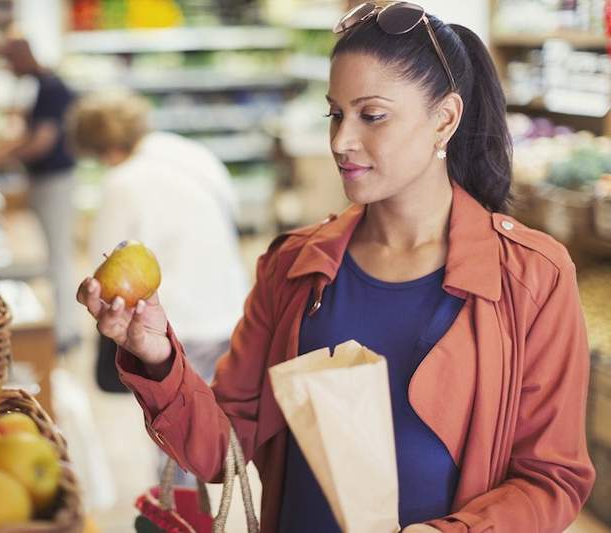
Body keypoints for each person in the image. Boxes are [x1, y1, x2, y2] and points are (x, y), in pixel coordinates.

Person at [76, 3, 596, 532]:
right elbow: (220, 451)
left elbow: (550, 478)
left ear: (445, 119)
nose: (342, 141)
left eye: (372, 115)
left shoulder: (531, 278)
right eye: (335, 113)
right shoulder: (295, 267)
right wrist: (157, 356)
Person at [67, 90, 250, 482]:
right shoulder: (188, 153)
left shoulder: (123, 183)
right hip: (231, 306)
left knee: (179, 433)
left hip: (179, 321)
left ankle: (181, 517)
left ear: (105, 148)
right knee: (219, 428)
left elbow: (105, 274)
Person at [0, 37, 81, 354]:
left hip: (56, 180)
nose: (9, 69)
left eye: (10, 61)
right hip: (45, 179)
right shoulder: (40, 85)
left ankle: (66, 332)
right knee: (53, 254)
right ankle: (62, 328)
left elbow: (42, 142)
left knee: (59, 255)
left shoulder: (50, 88)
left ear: (22, 57)